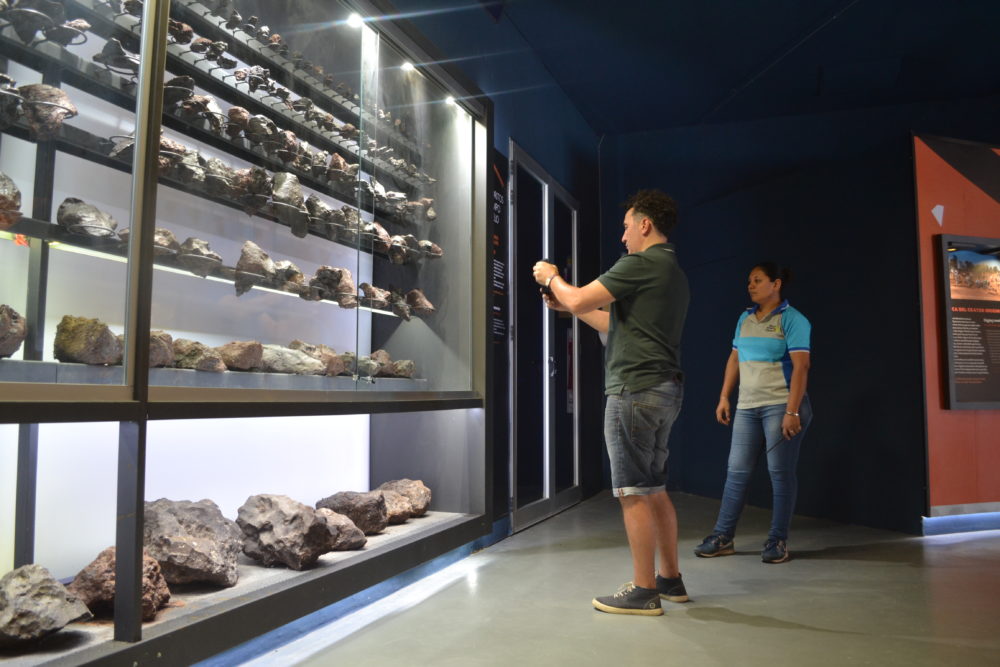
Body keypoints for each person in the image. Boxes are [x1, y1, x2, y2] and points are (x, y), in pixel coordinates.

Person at [532, 189, 689, 616]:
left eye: (626, 227)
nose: (623, 237)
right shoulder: (672, 271)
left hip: (633, 390)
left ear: (644, 225)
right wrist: (568, 302)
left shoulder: (640, 263)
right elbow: (608, 320)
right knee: (653, 488)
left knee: (632, 492)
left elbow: (580, 297)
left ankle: (643, 591)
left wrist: (552, 277)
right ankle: (670, 579)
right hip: (663, 389)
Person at [694, 262, 812, 564]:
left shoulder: (793, 319)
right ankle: (723, 537)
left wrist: (792, 411)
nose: (750, 285)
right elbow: (734, 359)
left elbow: (801, 367)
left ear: (776, 284)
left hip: (780, 405)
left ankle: (777, 540)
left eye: (758, 280)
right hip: (747, 407)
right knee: (736, 472)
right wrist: (724, 397)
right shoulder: (744, 318)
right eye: (749, 281)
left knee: (780, 473)